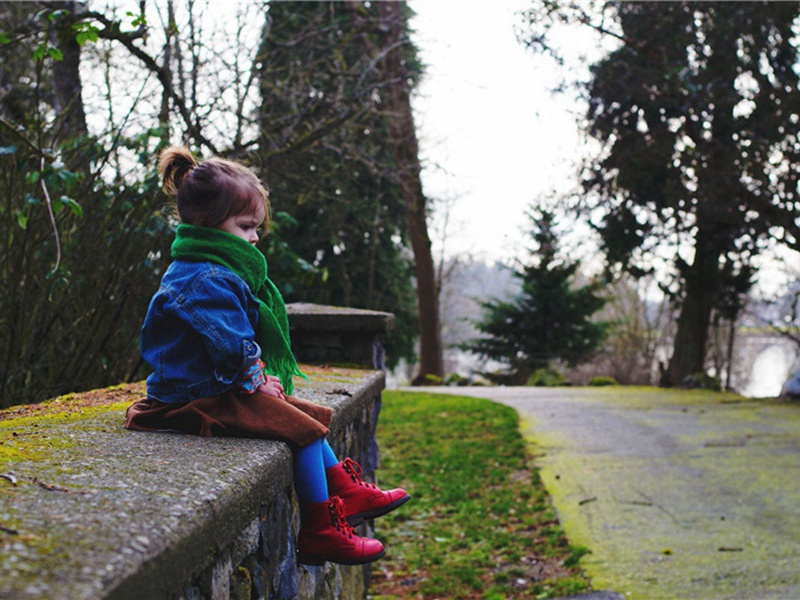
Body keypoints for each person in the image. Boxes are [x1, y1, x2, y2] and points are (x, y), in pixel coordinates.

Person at [125, 147, 410, 566]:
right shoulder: (205, 277)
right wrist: (255, 379)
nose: (256, 237)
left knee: (308, 416)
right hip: (195, 399)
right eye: (246, 227)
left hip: (213, 387)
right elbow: (230, 342)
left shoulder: (211, 266)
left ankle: (345, 492)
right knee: (302, 430)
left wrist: (253, 380)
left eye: (256, 227)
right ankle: (320, 530)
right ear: (209, 225)